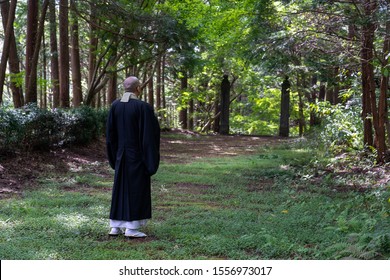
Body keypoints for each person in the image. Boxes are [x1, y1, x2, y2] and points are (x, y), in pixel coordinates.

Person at [106, 76, 160, 238]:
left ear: (125, 88)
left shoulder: (115, 106)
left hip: (120, 155)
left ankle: (115, 226)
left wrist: (114, 155)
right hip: (137, 156)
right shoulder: (143, 107)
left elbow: (110, 136)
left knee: (120, 189)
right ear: (138, 88)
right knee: (135, 189)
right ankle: (132, 228)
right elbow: (149, 137)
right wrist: (150, 160)